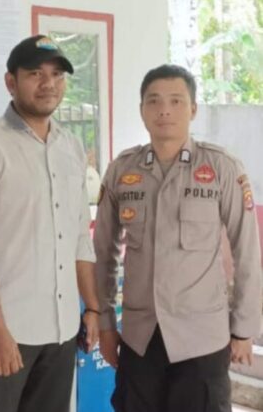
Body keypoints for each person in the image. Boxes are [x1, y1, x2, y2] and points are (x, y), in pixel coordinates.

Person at [94, 64, 262, 412]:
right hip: (140, 338)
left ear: (193, 109)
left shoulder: (221, 168)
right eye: (154, 101)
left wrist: (244, 329)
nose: (164, 110)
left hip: (201, 340)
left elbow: (246, 250)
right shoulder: (122, 170)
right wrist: (106, 324)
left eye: (175, 101)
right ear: (142, 110)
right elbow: (103, 252)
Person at [0, 34, 100, 412]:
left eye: (57, 75)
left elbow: (79, 237)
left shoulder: (71, 147)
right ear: (11, 82)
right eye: (35, 73)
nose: (48, 83)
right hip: (6, 331)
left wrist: (92, 309)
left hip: (62, 331)